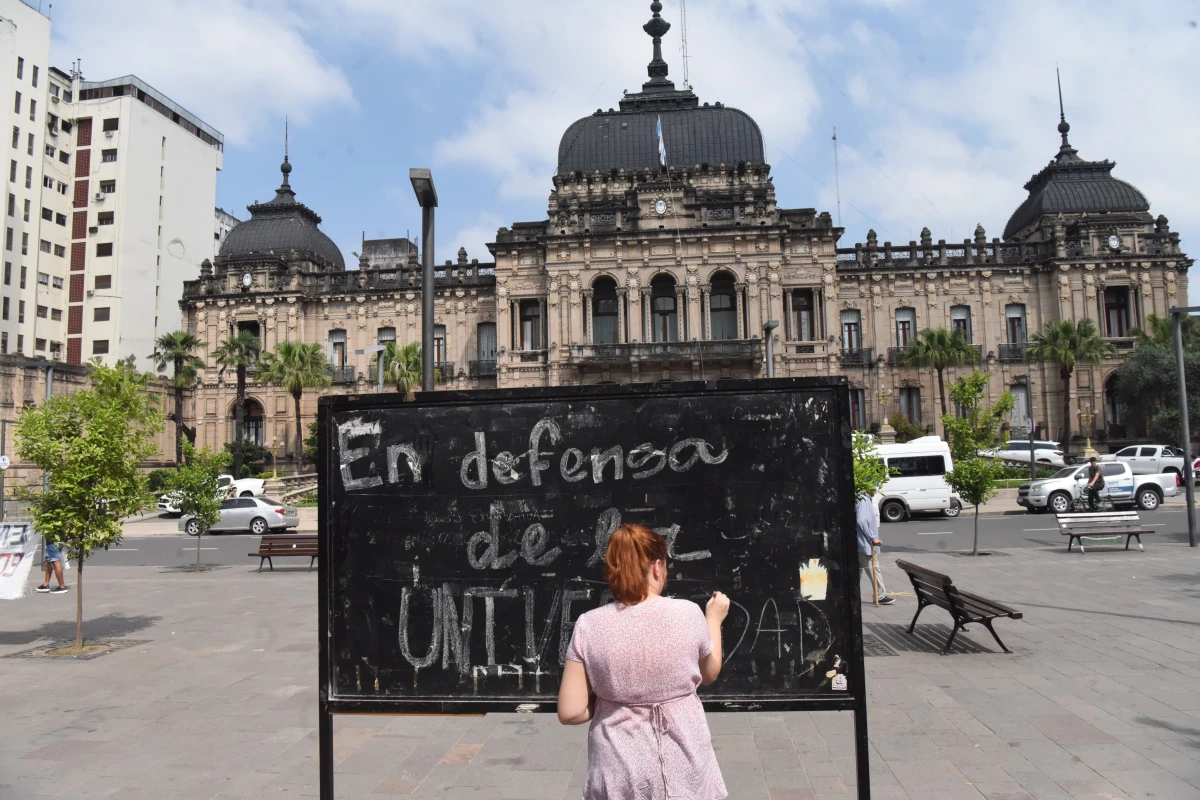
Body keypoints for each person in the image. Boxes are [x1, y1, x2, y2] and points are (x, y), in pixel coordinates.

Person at [558, 523, 729, 800]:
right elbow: (708, 673)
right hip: (684, 763)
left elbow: (571, 712)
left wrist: (613, 701)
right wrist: (714, 619)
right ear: (657, 567)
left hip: (619, 768)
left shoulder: (589, 624)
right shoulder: (688, 613)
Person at [856, 493, 894, 605]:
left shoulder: (860, 497)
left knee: (858, 570)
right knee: (873, 567)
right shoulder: (863, 499)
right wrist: (872, 537)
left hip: (859, 543)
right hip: (864, 544)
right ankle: (880, 595)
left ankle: (852, 595)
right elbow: (861, 520)